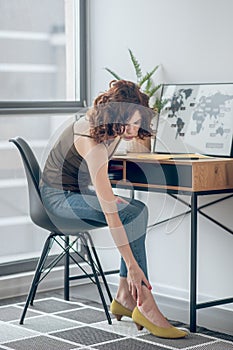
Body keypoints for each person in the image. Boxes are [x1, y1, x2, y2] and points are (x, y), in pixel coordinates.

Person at [40, 80, 187, 339]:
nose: (133, 130)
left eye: (137, 123)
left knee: (135, 210)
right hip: (56, 200)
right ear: (115, 114)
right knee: (133, 212)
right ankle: (144, 303)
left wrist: (104, 195)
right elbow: (110, 213)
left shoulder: (112, 132)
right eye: (129, 122)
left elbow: (93, 182)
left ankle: (124, 297)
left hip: (78, 194)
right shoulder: (91, 138)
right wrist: (132, 265)